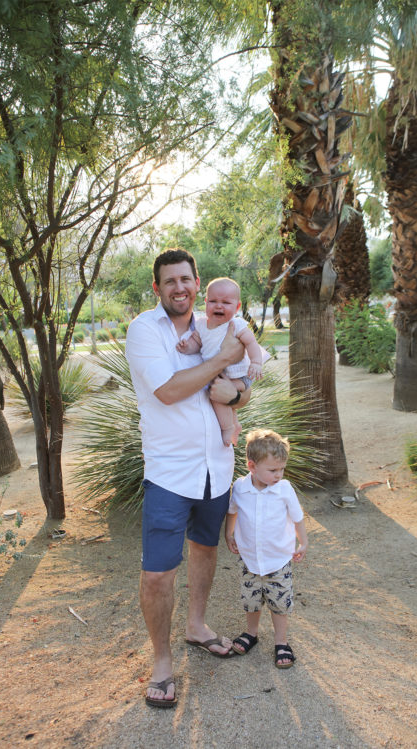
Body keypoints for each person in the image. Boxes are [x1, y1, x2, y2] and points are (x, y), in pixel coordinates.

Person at [126, 248, 250, 709]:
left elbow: (242, 388)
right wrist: (224, 364)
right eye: (169, 281)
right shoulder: (144, 330)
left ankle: (196, 626)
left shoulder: (215, 323)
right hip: (169, 472)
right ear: (157, 288)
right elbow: (170, 390)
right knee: (158, 572)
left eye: (186, 279)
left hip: (216, 468)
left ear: (198, 282)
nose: (180, 288)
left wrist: (236, 392)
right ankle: (161, 661)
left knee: (206, 549)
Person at [225, 429, 308, 669]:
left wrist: (303, 541)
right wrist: (228, 533)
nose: (278, 475)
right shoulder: (240, 488)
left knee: (279, 602)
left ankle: (281, 642)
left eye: (281, 469)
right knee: (251, 599)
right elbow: (233, 511)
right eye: (273, 470)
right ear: (252, 466)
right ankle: (251, 633)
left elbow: (297, 517)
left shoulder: (284, 489)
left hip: (278, 560)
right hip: (249, 559)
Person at [175, 276, 268, 446]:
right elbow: (197, 343)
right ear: (206, 302)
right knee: (220, 392)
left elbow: (251, 342)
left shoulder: (236, 325)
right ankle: (235, 423)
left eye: (226, 302)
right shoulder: (202, 325)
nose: (219, 306)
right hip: (222, 374)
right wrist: (187, 347)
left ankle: (227, 429)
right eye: (213, 301)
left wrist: (256, 362)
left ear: (237, 306)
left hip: (239, 376)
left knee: (217, 395)